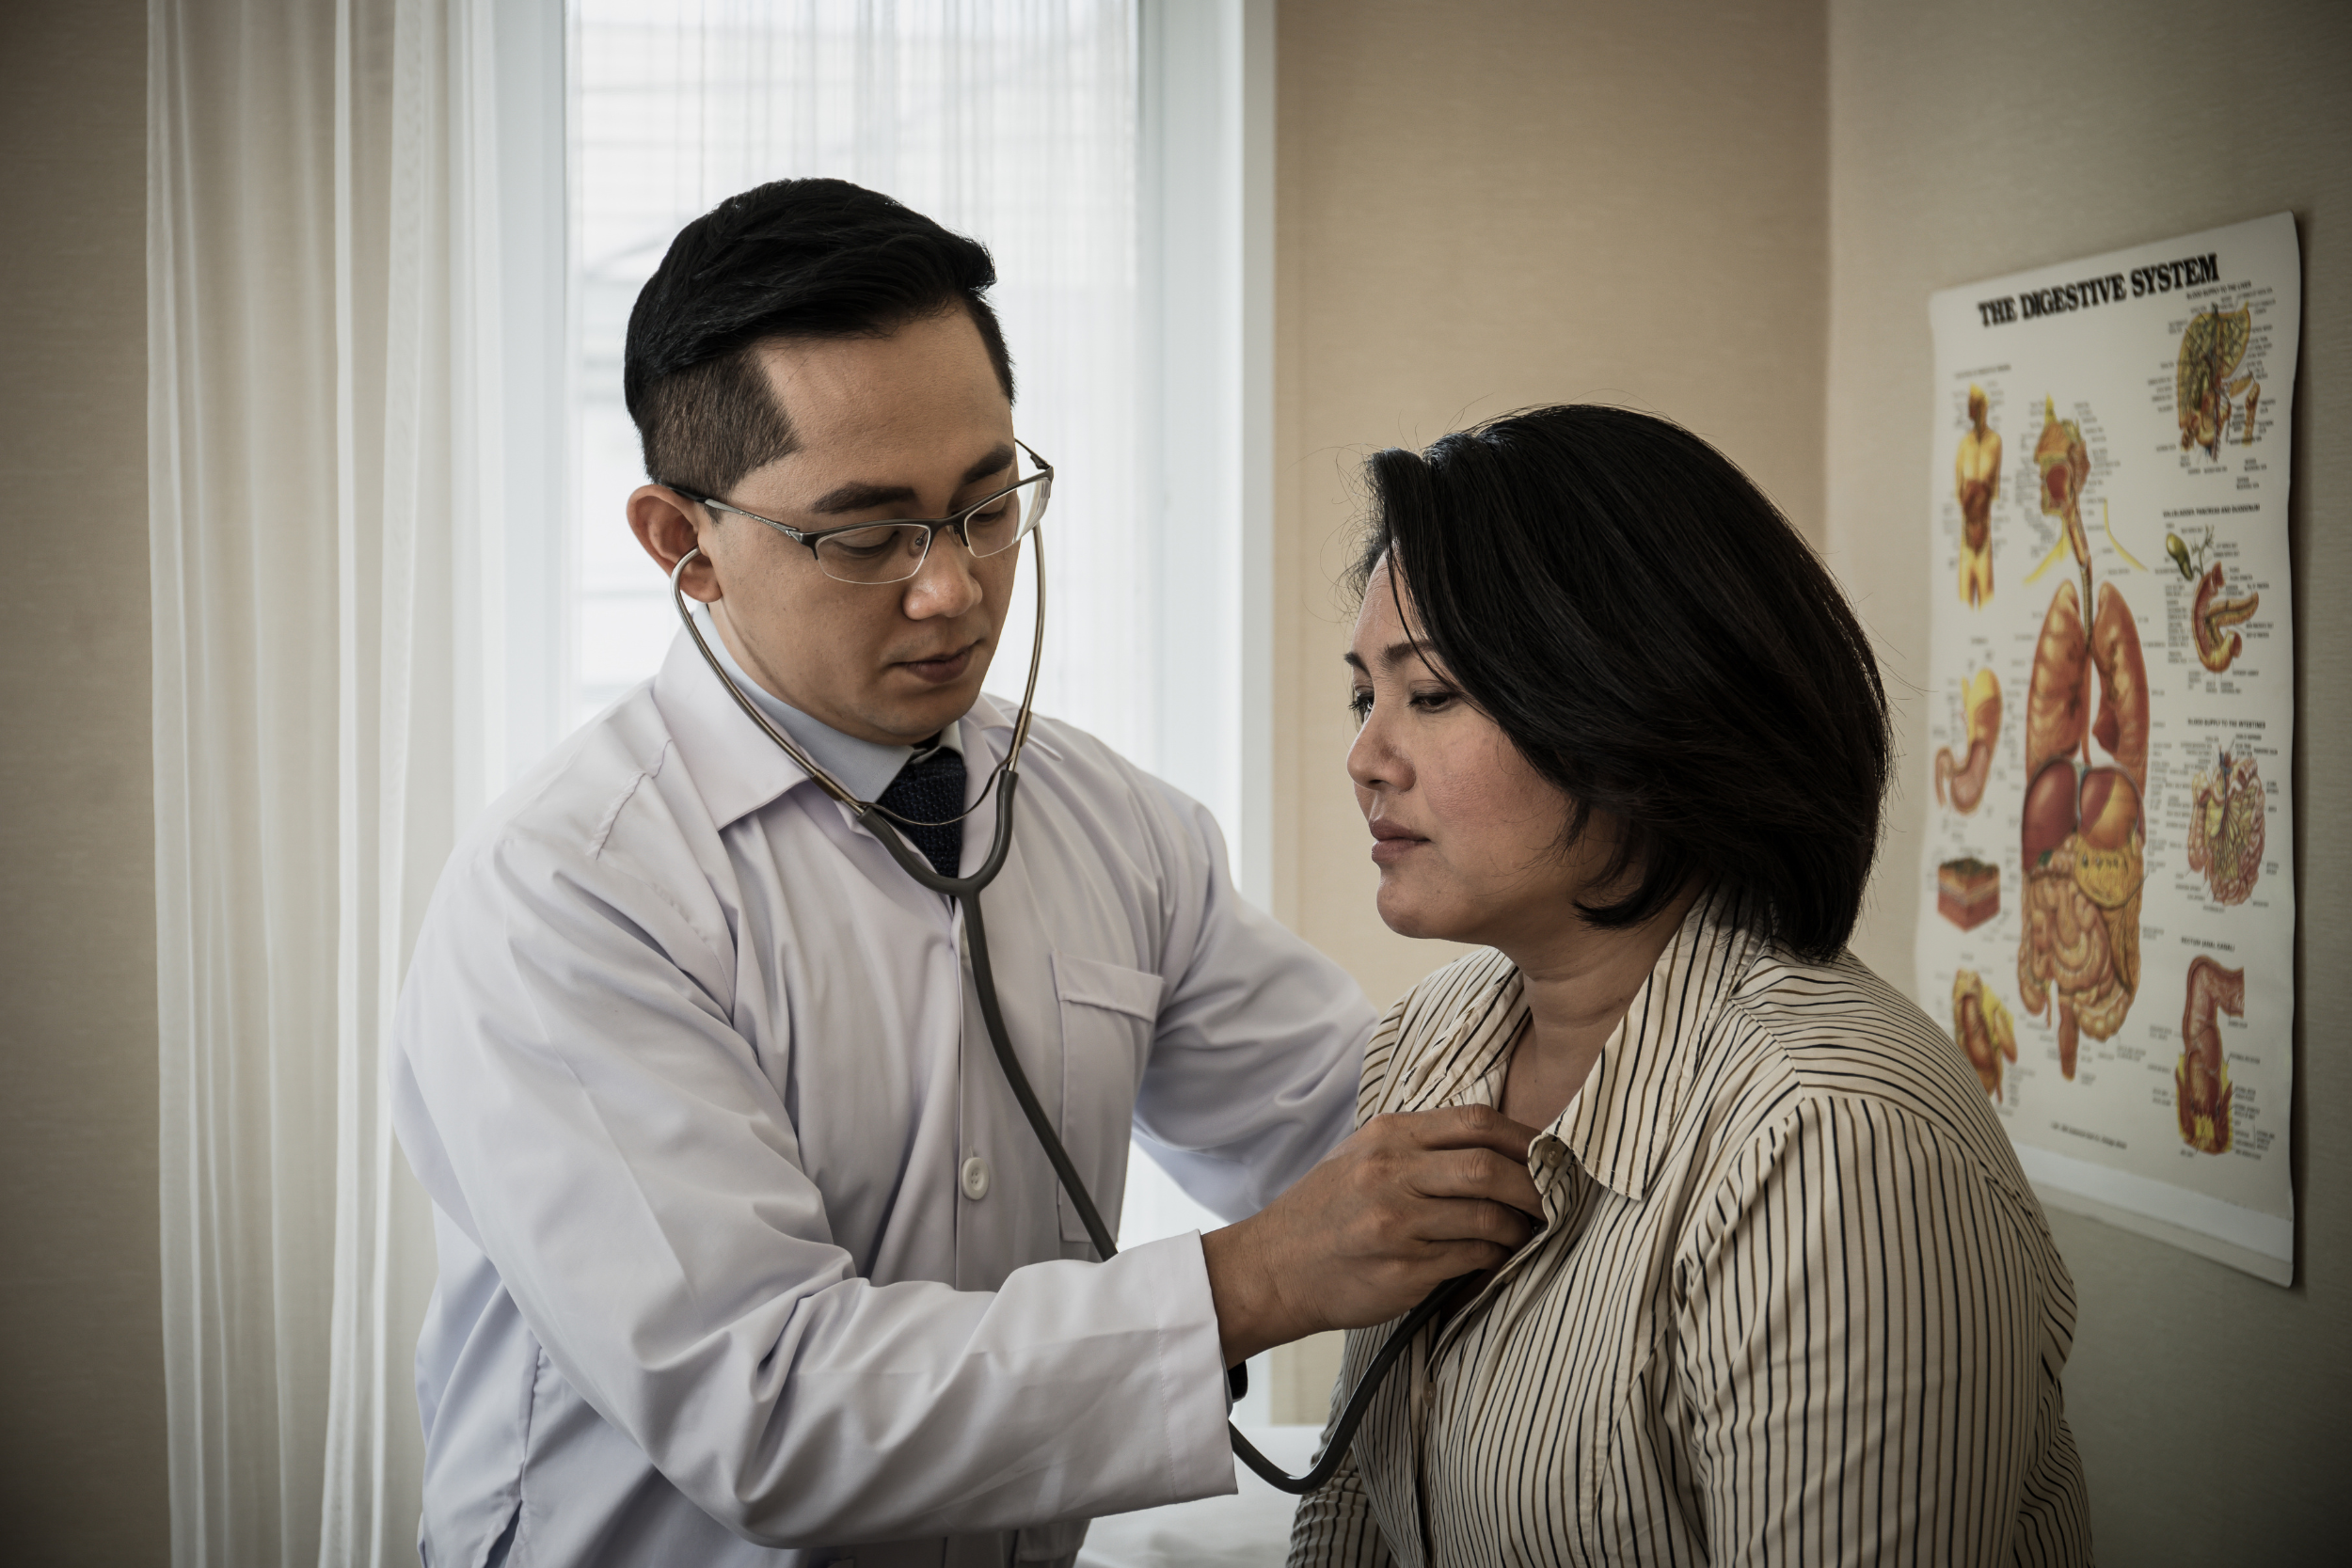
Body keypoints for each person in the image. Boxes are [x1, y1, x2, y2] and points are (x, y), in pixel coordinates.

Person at [390, 179, 1541, 1568]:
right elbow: (770, 1406)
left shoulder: (1115, 825)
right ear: (682, 543)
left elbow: (1349, 1122)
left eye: (989, 502)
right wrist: (1256, 1276)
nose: (955, 588)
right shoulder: (568, 895)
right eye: (865, 535)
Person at [1290, 405, 2092, 1565]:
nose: (1366, 754)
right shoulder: (1428, 1040)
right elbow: (1351, 1526)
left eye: (1432, 693)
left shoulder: (1831, 1142)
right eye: (1364, 695)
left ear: (1627, 706)